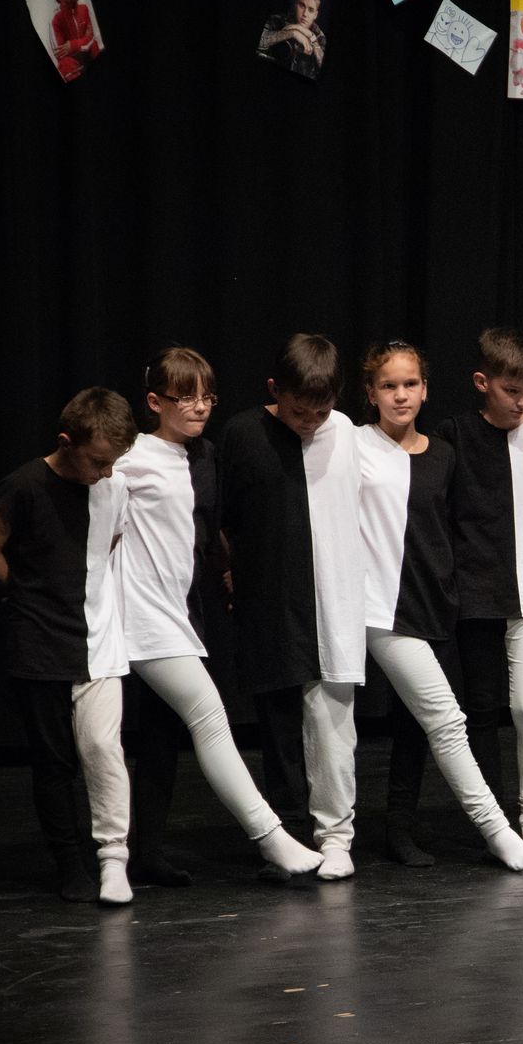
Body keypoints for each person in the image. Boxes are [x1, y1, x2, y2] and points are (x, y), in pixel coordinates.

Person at [117, 348, 325, 884]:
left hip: (182, 612)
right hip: (142, 616)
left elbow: (210, 530)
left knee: (159, 738)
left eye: (207, 397)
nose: (199, 407)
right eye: (185, 397)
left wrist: (229, 572)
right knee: (209, 716)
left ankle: (145, 854)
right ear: (155, 401)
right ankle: (273, 838)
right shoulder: (130, 456)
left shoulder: (205, 456)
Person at [356, 342, 523, 871]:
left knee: (416, 724)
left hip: (433, 602)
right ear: (371, 393)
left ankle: (399, 827)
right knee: (445, 718)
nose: (400, 395)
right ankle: (497, 830)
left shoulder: (441, 454)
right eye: (389, 386)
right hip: (381, 607)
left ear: (425, 390)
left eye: (410, 384)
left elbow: (456, 526)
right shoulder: (353, 444)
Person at [0, 388, 135, 904]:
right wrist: (24, 594)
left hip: (98, 636)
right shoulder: (25, 485)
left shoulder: (114, 486)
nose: (106, 472)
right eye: (97, 461)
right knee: (54, 760)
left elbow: (107, 546)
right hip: (39, 641)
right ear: (66, 443)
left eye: (113, 462)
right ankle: (69, 861)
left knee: (103, 749)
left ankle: (113, 856)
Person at [214, 334, 365, 880]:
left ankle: (337, 835)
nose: (310, 422)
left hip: (332, 598)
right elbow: (222, 516)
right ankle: (291, 833)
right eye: (300, 412)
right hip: (270, 597)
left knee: (333, 725)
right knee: (278, 724)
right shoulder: (243, 434)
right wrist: (232, 570)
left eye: (321, 412)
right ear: (275, 390)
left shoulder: (344, 432)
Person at [431, 329, 523, 864]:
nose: (522, 402)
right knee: (481, 709)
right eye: (512, 391)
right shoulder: (454, 435)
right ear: (482, 382)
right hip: (476, 588)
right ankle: (496, 822)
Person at [258, 0, 326, 80]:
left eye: (311, 10)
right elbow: (259, 42)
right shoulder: (277, 20)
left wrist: (312, 38)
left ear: (315, 15)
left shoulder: (319, 34)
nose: (305, 14)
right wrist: (292, 33)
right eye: (302, 6)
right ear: (296, 5)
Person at [50, 0, 101, 83]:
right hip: (74, 63)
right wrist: (82, 43)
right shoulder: (56, 20)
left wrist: (73, 45)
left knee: (94, 45)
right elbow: (60, 53)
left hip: (89, 54)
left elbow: (91, 37)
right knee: (64, 64)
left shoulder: (84, 9)